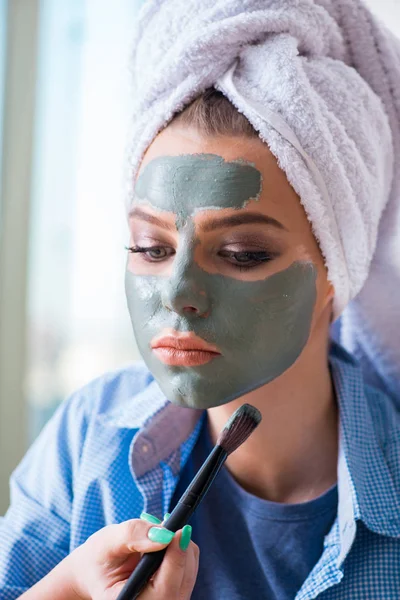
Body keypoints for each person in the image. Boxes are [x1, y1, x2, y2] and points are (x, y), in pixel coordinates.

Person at [1, 1, 400, 599]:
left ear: (336, 276)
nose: (178, 293)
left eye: (241, 253)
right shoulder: (87, 437)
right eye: (151, 248)